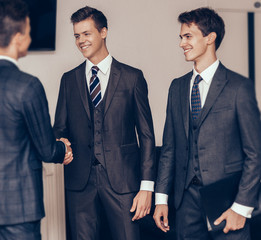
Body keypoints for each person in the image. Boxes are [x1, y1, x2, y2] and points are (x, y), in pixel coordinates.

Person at [153, 7, 261, 240]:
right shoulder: (177, 87)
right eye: (181, 37)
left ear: (210, 38)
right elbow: (170, 149)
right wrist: (161, 199)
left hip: (228, 203)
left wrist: (241, 207)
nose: (182, 43)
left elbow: (256, 153)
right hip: (186, 204)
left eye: (188, 36)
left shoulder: (238, 87)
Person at [53, 5, 156, 240]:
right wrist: (61, 143)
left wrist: (146, 186)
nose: (81, 41)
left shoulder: (132, 77)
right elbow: (59, 128)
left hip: (124, 183)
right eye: (77, 36)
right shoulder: (69, 80)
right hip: (79, 184)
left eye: (86, 33)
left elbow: (147, 136)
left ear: (103, 32)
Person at [0, 0, 73, 239]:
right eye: (29, 30)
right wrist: (63, 148)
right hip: (19, 210)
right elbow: (46, 149)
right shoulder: (27, 86)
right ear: (19, 37)